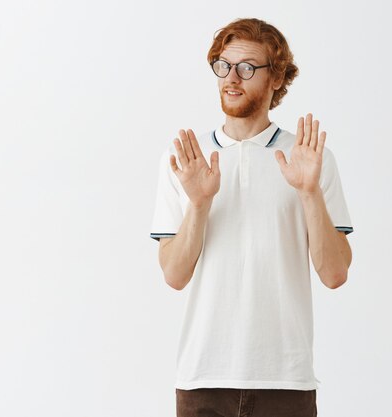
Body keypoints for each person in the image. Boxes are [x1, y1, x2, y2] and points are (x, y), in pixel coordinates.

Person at [150, 17, 353, 417]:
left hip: (286, 381)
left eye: (247, 68)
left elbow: (335, 274)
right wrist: (200, 203)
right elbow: (174, 276)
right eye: (223, 66)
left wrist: (308, 191)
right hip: (203, 381)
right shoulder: (185, 162)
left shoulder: (310, 159)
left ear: (277, 78)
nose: (232, 78)